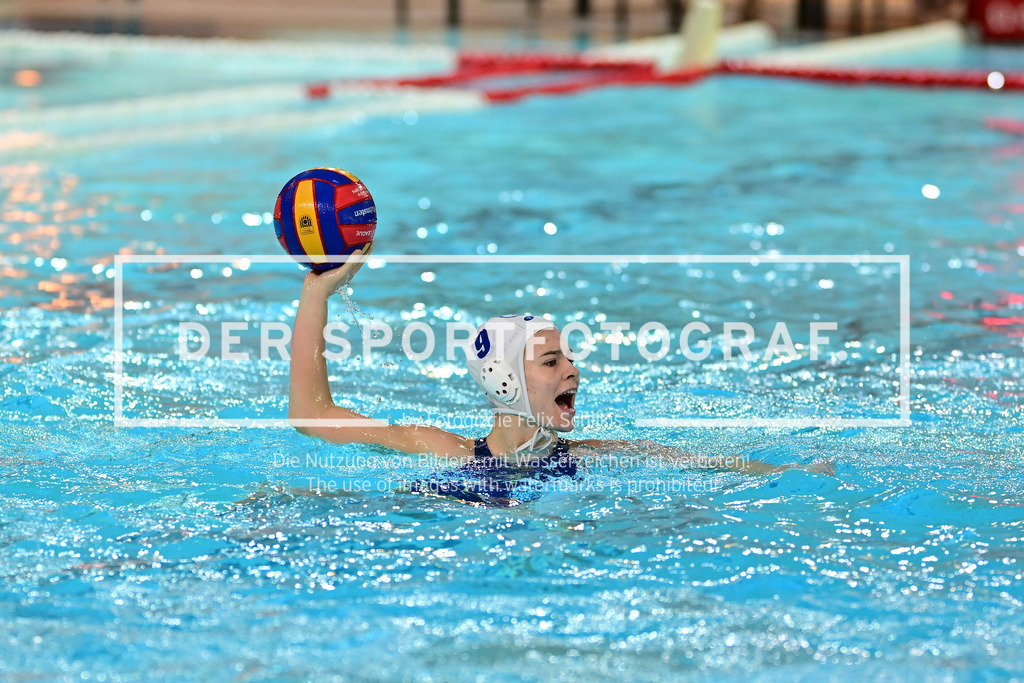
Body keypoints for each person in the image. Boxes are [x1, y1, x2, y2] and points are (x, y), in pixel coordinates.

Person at [289, 245, 831, 503]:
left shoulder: (602, 457)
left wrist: (795, 470)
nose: (574, 370)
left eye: (569, 357)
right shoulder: (438, 450)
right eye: (552, 362)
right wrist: (318, 291)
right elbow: (311, 415)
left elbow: (717, 465)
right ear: (503, 381)